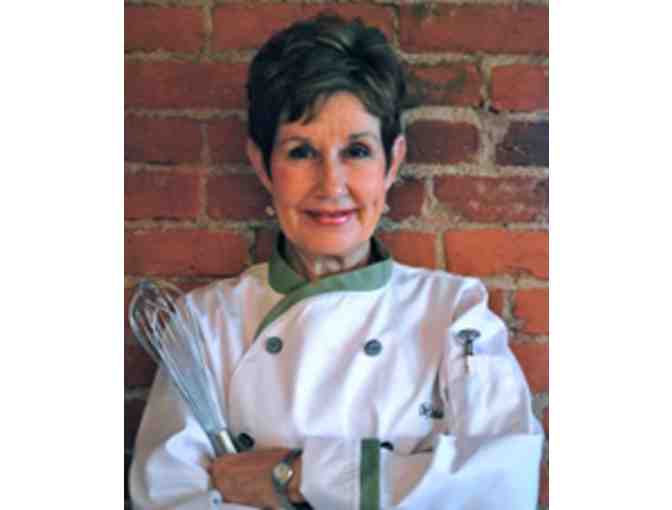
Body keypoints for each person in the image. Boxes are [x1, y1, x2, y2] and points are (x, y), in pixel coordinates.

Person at [129, 14, 544, 510]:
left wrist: (296, 475)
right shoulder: (205, 322)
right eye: (301, 151)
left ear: (392, 162)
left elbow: (504, 484)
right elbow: (166, 496)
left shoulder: (453, 312)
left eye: (357, 151)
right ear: (262, 165)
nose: (331, 185)